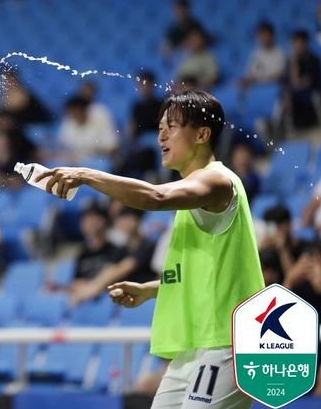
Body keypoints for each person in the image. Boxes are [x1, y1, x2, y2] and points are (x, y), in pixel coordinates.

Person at [37, 90, 264, 409]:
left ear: (202, 134)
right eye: (159, 128)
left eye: (172, 126)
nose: (161, 135)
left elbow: (155, 197)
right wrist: (151, 289)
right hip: (194, 346)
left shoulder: (218, 183)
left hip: (228, 343)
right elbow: (206, 275)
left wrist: (86, 174)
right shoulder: (191, 199)